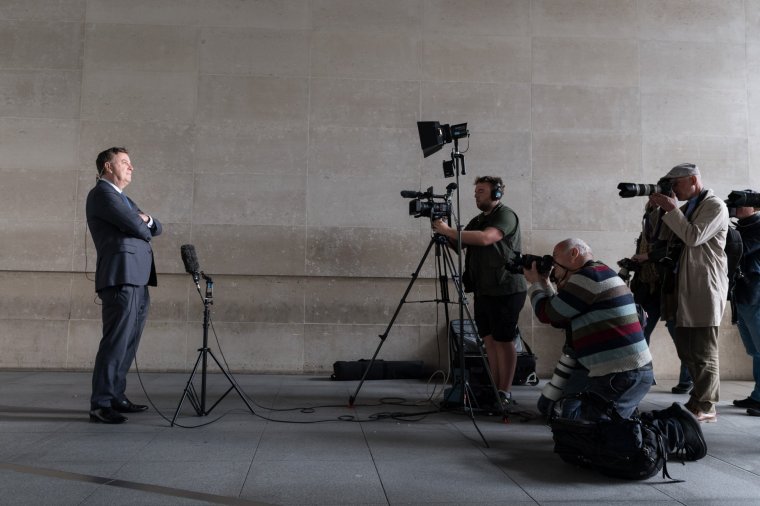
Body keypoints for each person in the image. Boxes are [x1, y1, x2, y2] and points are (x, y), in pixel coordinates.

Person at [524, 238, 653, 420]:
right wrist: (544, 283)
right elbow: (562, 314)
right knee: (571, 422)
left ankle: (672, 428)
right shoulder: (598, 272)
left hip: (622, 375)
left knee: (590, 433)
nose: (553, 266)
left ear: (574, 254)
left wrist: (536, 283)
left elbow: (549, 314)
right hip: (619, 372)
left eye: (554, 258)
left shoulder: (588, 277)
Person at [432, 176, 527, 407]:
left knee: (504, 340)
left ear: (497, 193)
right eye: (476, 191)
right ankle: (494, 388)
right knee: (489, 341)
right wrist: (444, 232)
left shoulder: (506, 215)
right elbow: (461, 245)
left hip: (506, 288)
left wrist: (449, 230)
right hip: (484, 289)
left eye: (482, 191)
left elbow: (486, 238)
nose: (476, 195)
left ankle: (505, 392)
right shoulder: (477, 219)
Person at [86, 147, 162, 424]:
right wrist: (143, 221)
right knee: (116, 341)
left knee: (129, 341)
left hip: (137, 278)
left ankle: (116, 395)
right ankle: (101, 403)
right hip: (121, 276)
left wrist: (147, 220)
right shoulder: (103, 194)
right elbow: (141, 228)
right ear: (108, 166)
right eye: (125, 162)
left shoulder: (123, 199)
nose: (131, 168)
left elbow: (157, 226)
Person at [649, 163, 729, 423]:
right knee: (686, 348)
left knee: (704, 350)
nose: (674, 189)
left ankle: (708, 405)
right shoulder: (688, 207)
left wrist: (672, 210)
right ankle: (697, 400)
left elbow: (694, 237)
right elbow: (663, 238)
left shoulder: (715, 206)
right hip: (682, 286)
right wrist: (659, 208)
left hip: (704, 286)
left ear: (693, 180)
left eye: (677, 184)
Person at [629, 202, 693, 394]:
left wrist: (648, 256)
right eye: (649, 203)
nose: (651, 206)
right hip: (646, 287)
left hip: (668, 288)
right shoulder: (646, 229)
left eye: (656, 204)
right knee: (639, 333)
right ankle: (643, 373)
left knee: (680, 336)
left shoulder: (675, 224)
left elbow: (676, 251)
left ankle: (687, 379)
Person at [729, 199, 760, 415]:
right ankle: (757, 396)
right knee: (755, 351)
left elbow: (741, 249)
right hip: (742, 295)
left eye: (742, 202)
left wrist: (719, 221)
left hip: (755, 295)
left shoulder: (757, 226)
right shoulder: (742, 227)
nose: (737, 205)